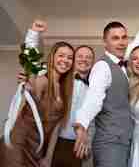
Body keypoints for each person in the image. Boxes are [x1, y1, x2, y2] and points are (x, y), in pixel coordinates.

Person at [73, 7, 139, 167]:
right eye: (115, 38)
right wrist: (81, 125)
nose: (121, 42)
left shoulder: (125, 60)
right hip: (109, 143)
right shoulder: (102, 67)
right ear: (105, 41)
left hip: (126, 140)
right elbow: (93, 99)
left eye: (124, 37)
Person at [1, 20, 74, 167]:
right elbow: (30, 64)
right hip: (19, 143)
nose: (65, 60)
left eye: (70, 57)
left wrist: (48, 157)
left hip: (37, 149)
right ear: (52, 57)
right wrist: (33, 34)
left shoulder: (65, 90)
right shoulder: (42, 80)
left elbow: (55, 130)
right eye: (61, 55)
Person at [22, 26, 96, 167]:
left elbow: (93, 120)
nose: (84, 60)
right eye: (80, 56)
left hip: (76, 144)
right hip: (51, 140)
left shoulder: (96, 89)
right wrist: (26, 79)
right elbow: (34, 76)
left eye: (89, 57)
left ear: (92, 61)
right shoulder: (60, 80)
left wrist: (88, 141)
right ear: (74, 60)